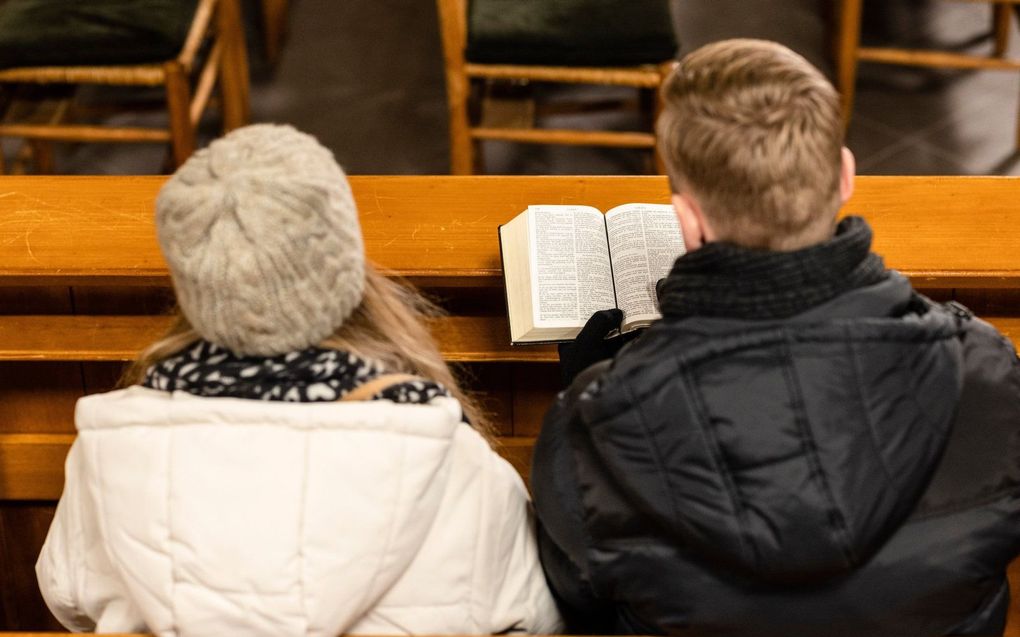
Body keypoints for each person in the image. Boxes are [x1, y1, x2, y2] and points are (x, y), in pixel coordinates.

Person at [532, 39, 1020, 636]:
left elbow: (574, 598)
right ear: (844, 174)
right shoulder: (989, 376)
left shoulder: (596, 431)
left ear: (688, 219)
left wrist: (595, 392)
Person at [35, 124, 562, 636]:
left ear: (197, 286)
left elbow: (65, 595)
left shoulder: (109, 448)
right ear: (341, 265)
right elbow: (536, 614)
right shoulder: (451, 457)